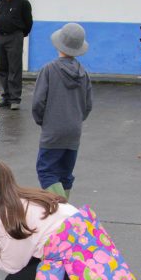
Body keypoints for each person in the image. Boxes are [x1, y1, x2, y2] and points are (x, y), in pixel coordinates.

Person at [32, 23, 92, 200]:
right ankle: (65, 213)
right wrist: (77, 120)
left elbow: (38, 103)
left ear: (58, 44)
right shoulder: (84, 73)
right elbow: (88, 105)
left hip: (53, 130)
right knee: (65, 174)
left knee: (46, 171)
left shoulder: (49, 70)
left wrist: (44, 121)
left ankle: (61, 209)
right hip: (74, 131)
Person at [0, 0, 33, 110]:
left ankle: (15, 99)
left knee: (14, 68)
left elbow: (28, 22)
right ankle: (7, 97)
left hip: (15, 37)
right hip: (0, 37)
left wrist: (21, 34)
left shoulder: (22, 2)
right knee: (2, 68)